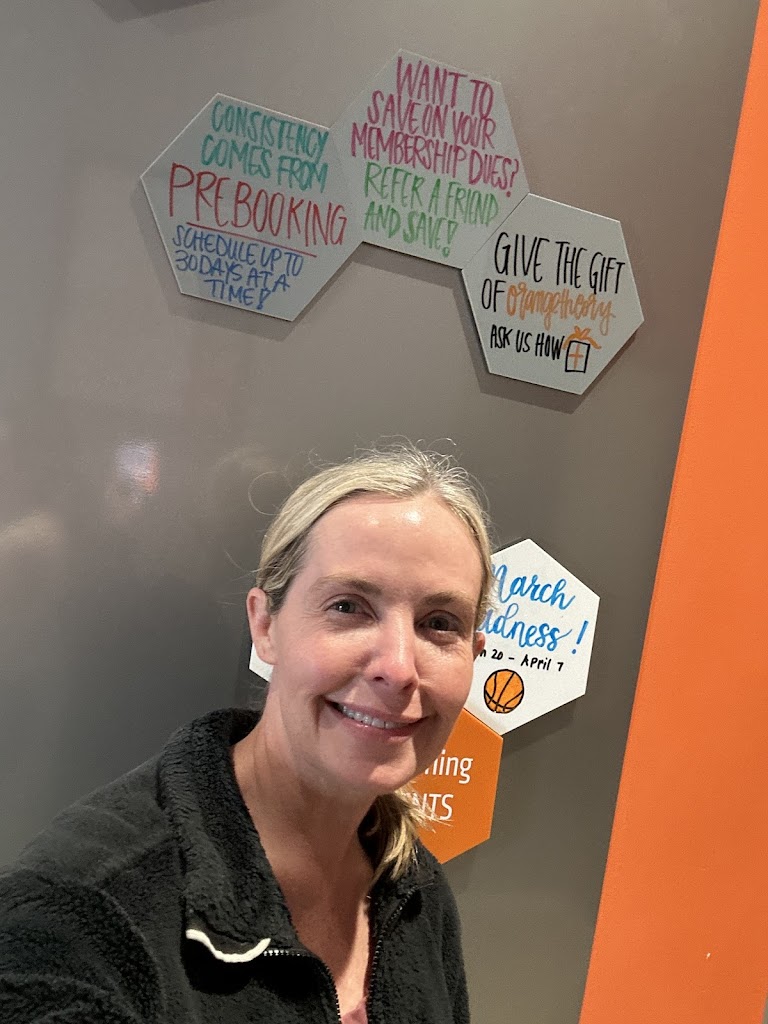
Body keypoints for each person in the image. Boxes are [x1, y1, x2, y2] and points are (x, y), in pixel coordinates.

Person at [0, 443, 493, 1024]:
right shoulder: (79, 915)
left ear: (474, 653)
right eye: (348, 607)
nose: (399, 667)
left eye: (440, 623)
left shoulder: (413, 892)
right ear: (265, 625)